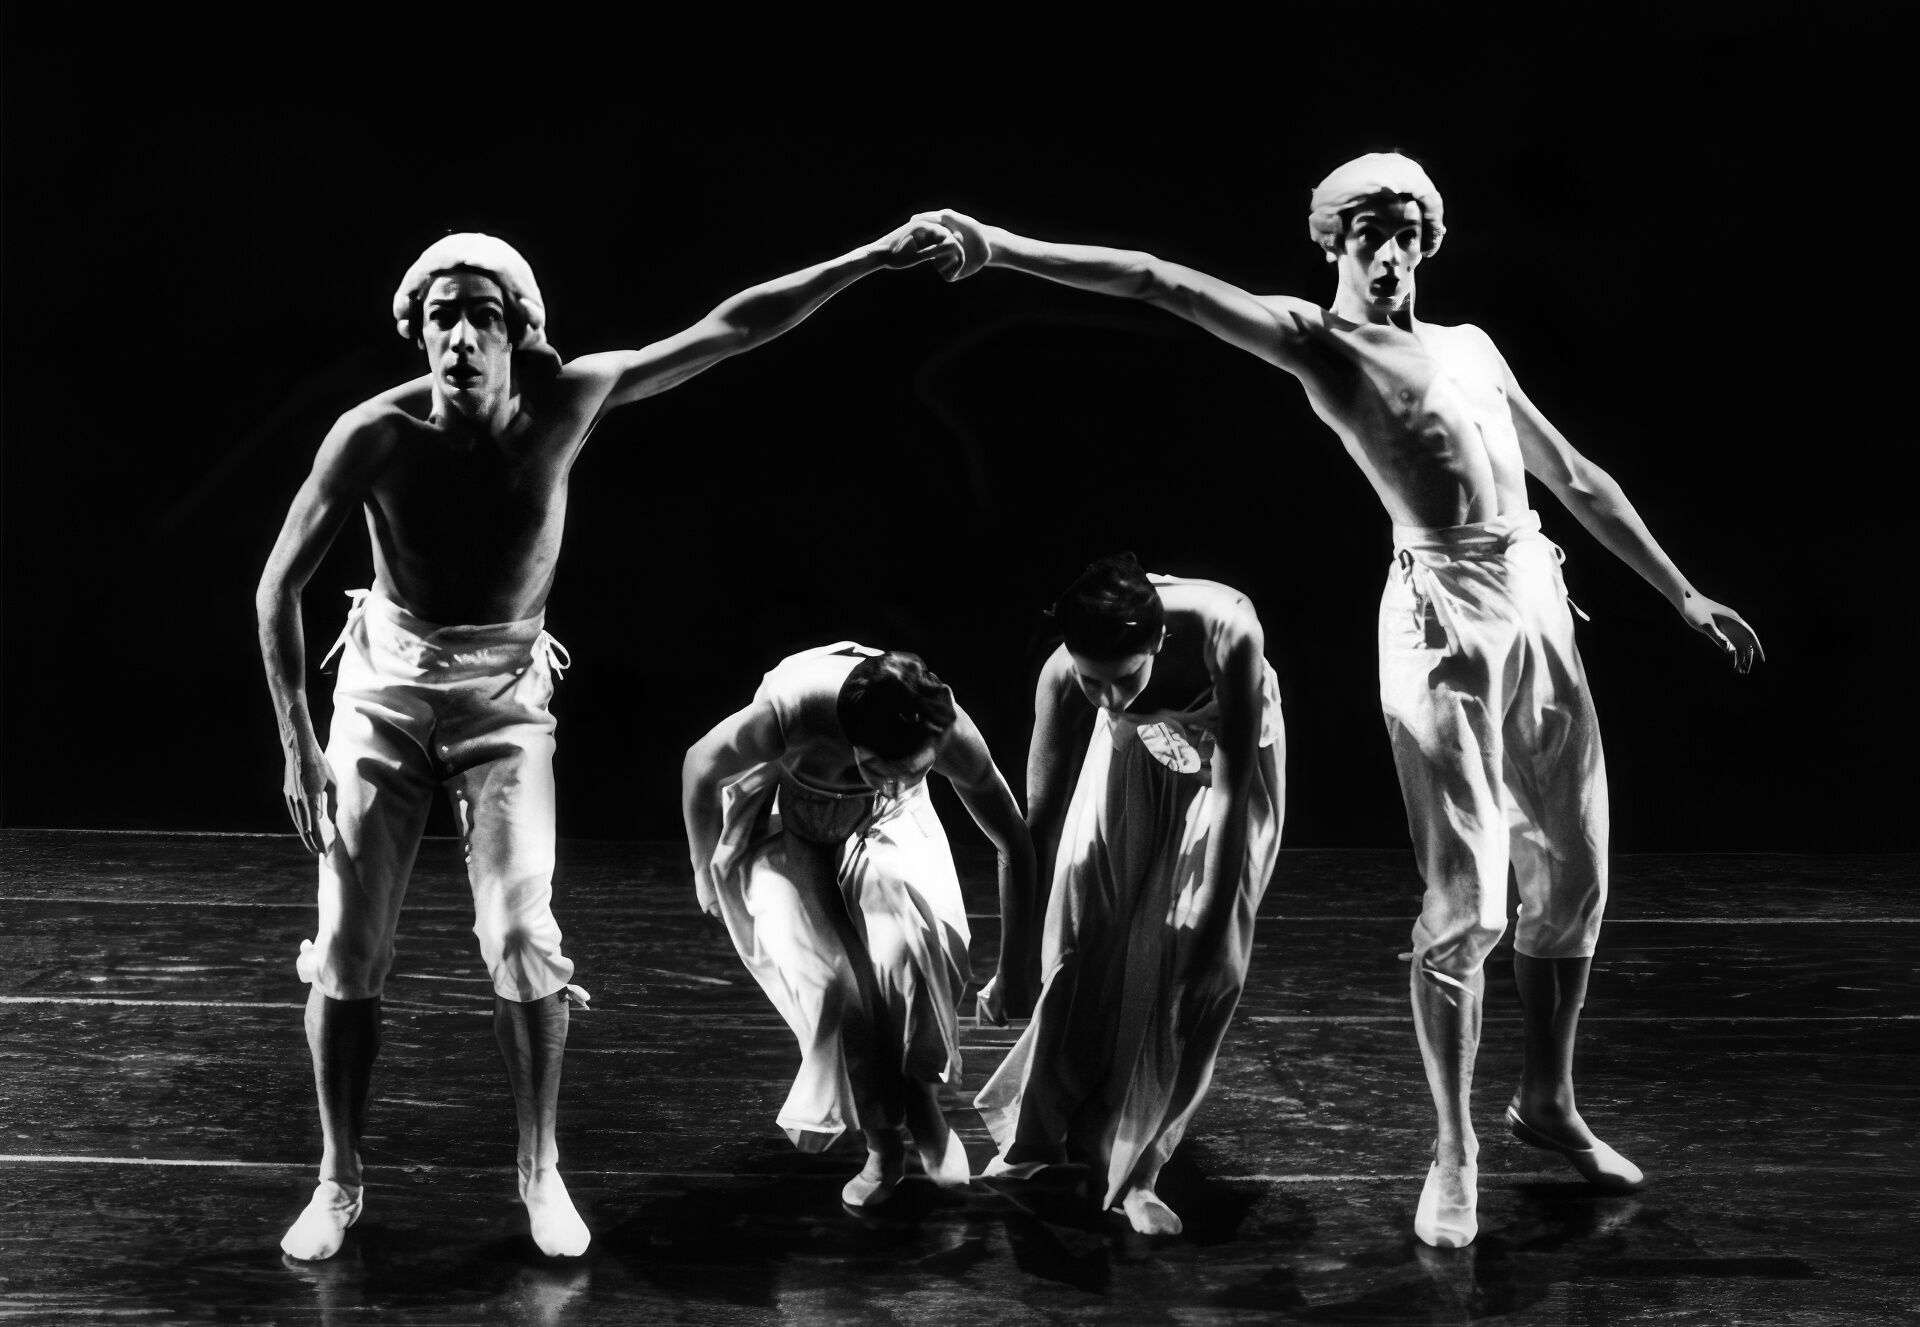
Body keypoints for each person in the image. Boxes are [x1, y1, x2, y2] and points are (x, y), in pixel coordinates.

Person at [912, 152, 1762, 1247]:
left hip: (1537, 601)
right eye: (1370, 232)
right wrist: (1002, 245)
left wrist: (1682, 593)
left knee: (1576, 873)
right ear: (1334, 241)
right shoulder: (1321, 343)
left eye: (1409, 231)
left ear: (1430, 239)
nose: (1392, 251)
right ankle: (1452, 1147)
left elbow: (1575, 476)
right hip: (1441, 618)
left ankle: (1546, 1100)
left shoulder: (1470, 346)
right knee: (1472, 901)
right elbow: (1159, 280)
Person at [256, 219, 965, 1261]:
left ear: (517, 332)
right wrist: (298, 741)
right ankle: (337, 1177)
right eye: (444, 317)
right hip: (383, 688)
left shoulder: (570, 401)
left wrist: (866, 259)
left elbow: (731, 329)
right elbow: (277, 585)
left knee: (522, 934)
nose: (461, 338)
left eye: (482, 318)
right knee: (350, 945)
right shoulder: (373, 434)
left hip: (504, 692)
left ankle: (540, 1169)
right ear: (420, 330)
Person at [972, 555, 1284, 1236]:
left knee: (1190, 960)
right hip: (1135, 750)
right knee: (1079, 936)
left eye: (1123, 677)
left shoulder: (1229, 630)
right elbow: (1033, 831)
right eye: (1093, 680)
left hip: (1225, 772)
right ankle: (1039, 1138)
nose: (1108, 696)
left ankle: (1142, 1170)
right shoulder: (1064, 676)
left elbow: (1230, 791)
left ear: (1159, 641)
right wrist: (1011, 960)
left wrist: (1211, 934)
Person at [682, 643, 1038, 1208]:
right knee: (835, 987)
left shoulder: (944, 729)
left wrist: (1017, 965)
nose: (893, 779)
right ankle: (883, 1144)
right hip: (794, 824)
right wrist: (704, 867)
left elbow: (1014, 842)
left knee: (912, 950)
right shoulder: (794, 712)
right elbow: (700, 765)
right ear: (852, 739)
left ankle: (922, 1101)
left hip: (883, 823)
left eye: (911, 771)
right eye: (878, 768)